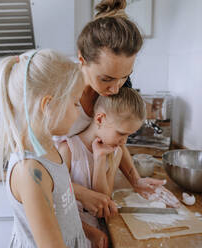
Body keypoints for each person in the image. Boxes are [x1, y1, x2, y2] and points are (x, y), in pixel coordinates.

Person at [67, 0, 167, 220]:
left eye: (125, 76)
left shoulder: (117, 87)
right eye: (106, 79)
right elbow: (33, 169)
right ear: (82, 59)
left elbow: (117, 137)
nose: (114, 89)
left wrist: (136, 180)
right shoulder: (60, 94)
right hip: (56, 201)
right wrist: (83, 194)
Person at [0, 49, 90, 248]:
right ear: (49, 105)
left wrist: (87, 233)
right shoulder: (30, 171)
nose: (79, 111)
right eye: (75, 103)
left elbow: (63, 212)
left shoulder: (48, 148)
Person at [59, 88, 146, 247]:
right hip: (72, 233)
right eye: (121, 133)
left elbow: (103, 198)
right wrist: (88, 232)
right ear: (100, 119)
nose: (124, 142)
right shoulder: (69, 150)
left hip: (97, 231)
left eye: (128, 136)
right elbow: (56, 203)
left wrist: (100, 160)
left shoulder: (115, 153)